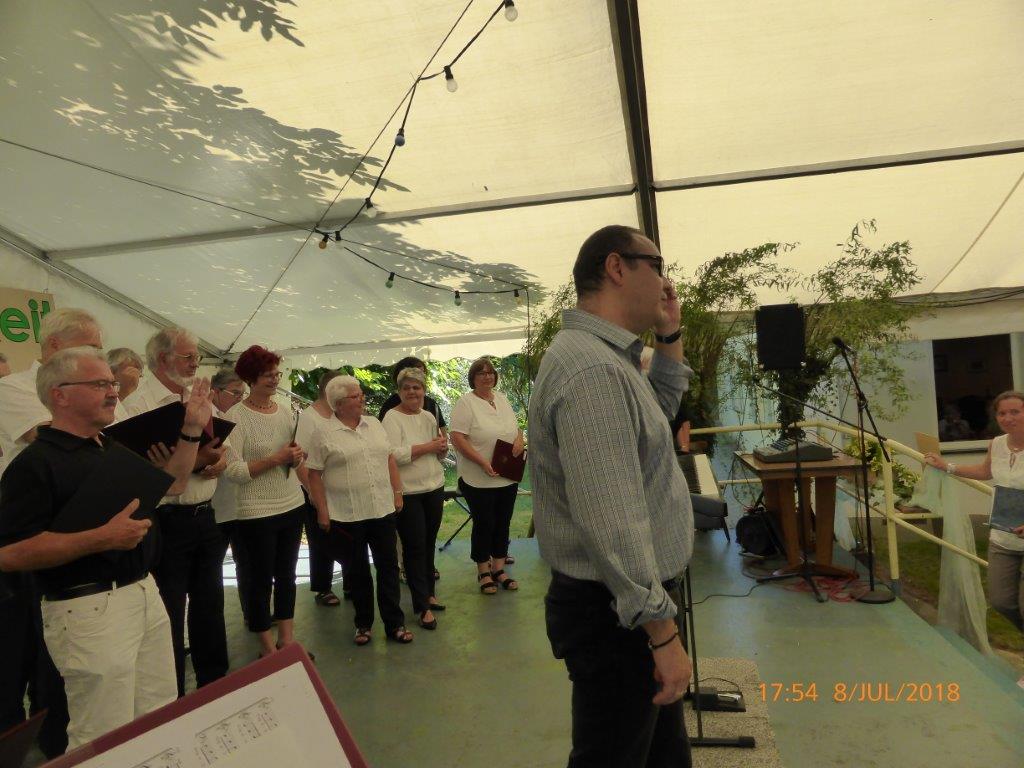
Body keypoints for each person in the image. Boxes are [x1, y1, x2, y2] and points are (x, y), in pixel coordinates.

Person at [529, 224, 694, 767]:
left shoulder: (606, 357)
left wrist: (669, 334)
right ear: (618, 267)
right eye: (658, 265)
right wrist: (661, 635)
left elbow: (658, 414)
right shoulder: (593, 371)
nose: (666, 281)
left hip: (628, 608)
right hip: (619, 615)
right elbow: (613, 523)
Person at [0, 347, 212, 749]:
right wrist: (102, 538)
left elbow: (173, 484)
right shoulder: (34, 464)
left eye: (112, 383)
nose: (114, 391)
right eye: (100, 384)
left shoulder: (110, 448)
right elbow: (10, 553)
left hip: (142, 593)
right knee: (103, 733)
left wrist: (191, 430)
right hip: (88, 608)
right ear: (60, 394)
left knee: (159, 714)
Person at [0, 307, 116, 756]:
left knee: (62, 666)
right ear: (53, 346)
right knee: (18, 657)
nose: (99, 358)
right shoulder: (13, 388)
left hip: (80, 546)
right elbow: (57, 437)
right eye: (90, 347)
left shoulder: (97, 388)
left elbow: (111, 443)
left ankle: (58, 745)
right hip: (31, 537)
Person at [123, 328, 229, 697]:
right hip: (167, 520)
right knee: (168, 610)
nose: (196, 362)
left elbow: (223, 449)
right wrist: (200, 459)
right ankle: (173, 696)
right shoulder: (138, 406)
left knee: (211, 604)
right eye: (188, 356)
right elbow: (148, 474)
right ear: (163, 358)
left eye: (197, 355)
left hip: (204, 514)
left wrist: (218, 461)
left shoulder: (198, 397)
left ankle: (216, 685)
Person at [306, 376, 413, 646]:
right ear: (339, 403)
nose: (362, 398)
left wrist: (397, 491)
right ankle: (363, 624)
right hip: (347, 514)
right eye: (356, 395)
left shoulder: (374, 424)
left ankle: (395, 623)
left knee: (388, 567)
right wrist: (322, 510)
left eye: (361, 393)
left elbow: (389, 457)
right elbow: (314, 474)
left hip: (381, 509)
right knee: (357, 571)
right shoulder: (323, 433)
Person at [924, 391, 1024, 653]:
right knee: (1002, 602)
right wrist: (947, 466)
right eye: (1002, 413)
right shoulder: (997, 444)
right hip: (1003, 538)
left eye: (1015, 412)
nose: (1008, 418)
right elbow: (984, 471)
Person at [223, 345, 305, 658]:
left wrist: (296, 456)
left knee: (287, 575)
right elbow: (234, 472)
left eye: (276, 374)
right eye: (267, 375)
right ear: (250, 379)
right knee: (259, 581)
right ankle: (268, 649)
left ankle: (287, 640)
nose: (274, 380)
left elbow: (291, 456)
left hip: (291, 503)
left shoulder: (285, 411)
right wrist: (276, 459)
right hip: (255, 512)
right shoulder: (236, 417)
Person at [450, 357, 524, 594]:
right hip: (478, 477)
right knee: (485, 523)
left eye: (490, 372)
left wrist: (520, 440)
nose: (487, 377)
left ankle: (499, 568)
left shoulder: (501, 399)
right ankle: (483, 570)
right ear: (473, 378)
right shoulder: (466, 403)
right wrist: (482, 461)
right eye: (481, 373)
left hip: (506, 475)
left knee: (503, 522)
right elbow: (457, 437)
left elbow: (516, 428)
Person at [382, 367, 448, 629]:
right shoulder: (391, 418)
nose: (412, 392)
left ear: (424, 391)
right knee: (414, 547)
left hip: (434, 486)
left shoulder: (429, 416)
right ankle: (421, 606)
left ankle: (429, 594)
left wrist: (441, 449)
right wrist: (428, 447)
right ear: (399, 392)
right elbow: (391, 455)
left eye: (417, 387)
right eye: (407, 388)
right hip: (409, 492)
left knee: (429, 543)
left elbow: (437, 452)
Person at [295, 369, 346, 607]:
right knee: (320, 538)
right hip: (314, 486)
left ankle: (350, 580)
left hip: (339, 487)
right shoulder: (309, 417)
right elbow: (301, 458)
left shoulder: (337, 414)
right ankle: (322, 586)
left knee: (344, 534)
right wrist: (312, 491)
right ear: (329, 390)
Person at [209, 367, 249, 621]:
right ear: (215, 392)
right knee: (212, 568)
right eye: (235, 393)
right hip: (213, 507)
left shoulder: (243, 417)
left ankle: (252, 612)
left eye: (242, 394)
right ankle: (215, 619)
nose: (239, 398)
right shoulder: (207, 417)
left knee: (246, 562)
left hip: (240, 504)